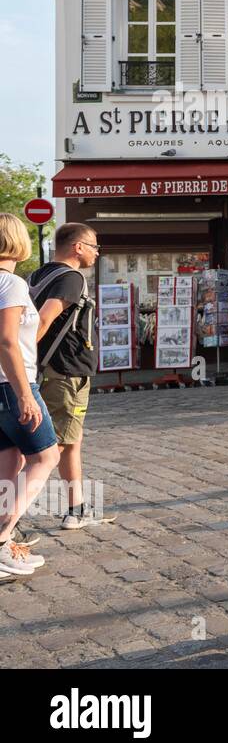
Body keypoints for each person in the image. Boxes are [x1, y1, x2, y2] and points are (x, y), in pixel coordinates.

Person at [30, 222, 106, 531]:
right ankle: (9, 518)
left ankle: (78, 507)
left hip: (49, 369)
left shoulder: (38, 275)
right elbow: (43, 319)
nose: (97, 253)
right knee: (51, 449)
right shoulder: (71, 278)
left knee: (70, 440)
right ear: (78, 247)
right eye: (94, 246)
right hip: (64, 372)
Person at [0, 214, 58, 577]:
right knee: (45, 457)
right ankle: (2, 535)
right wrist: (25, 394)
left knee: (8, 466)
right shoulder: (11, 284)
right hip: (12, 384)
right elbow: (7, 341)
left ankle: (5, 548)